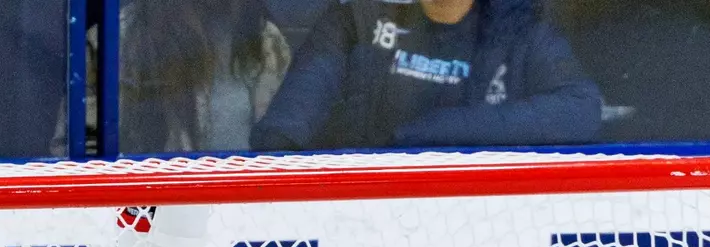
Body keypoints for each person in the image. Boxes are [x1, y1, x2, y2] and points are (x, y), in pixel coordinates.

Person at [251, 0, 601, 150]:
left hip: (484, 229)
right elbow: (282, 135)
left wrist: (425, 134)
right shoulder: (357, 21)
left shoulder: (520, 30)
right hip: (364, 224)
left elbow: (580, 109)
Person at [118, 0, 291, 153]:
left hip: (237, 184)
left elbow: (275, 149)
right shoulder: (123, 36)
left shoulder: (263, 41)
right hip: (153, 184)